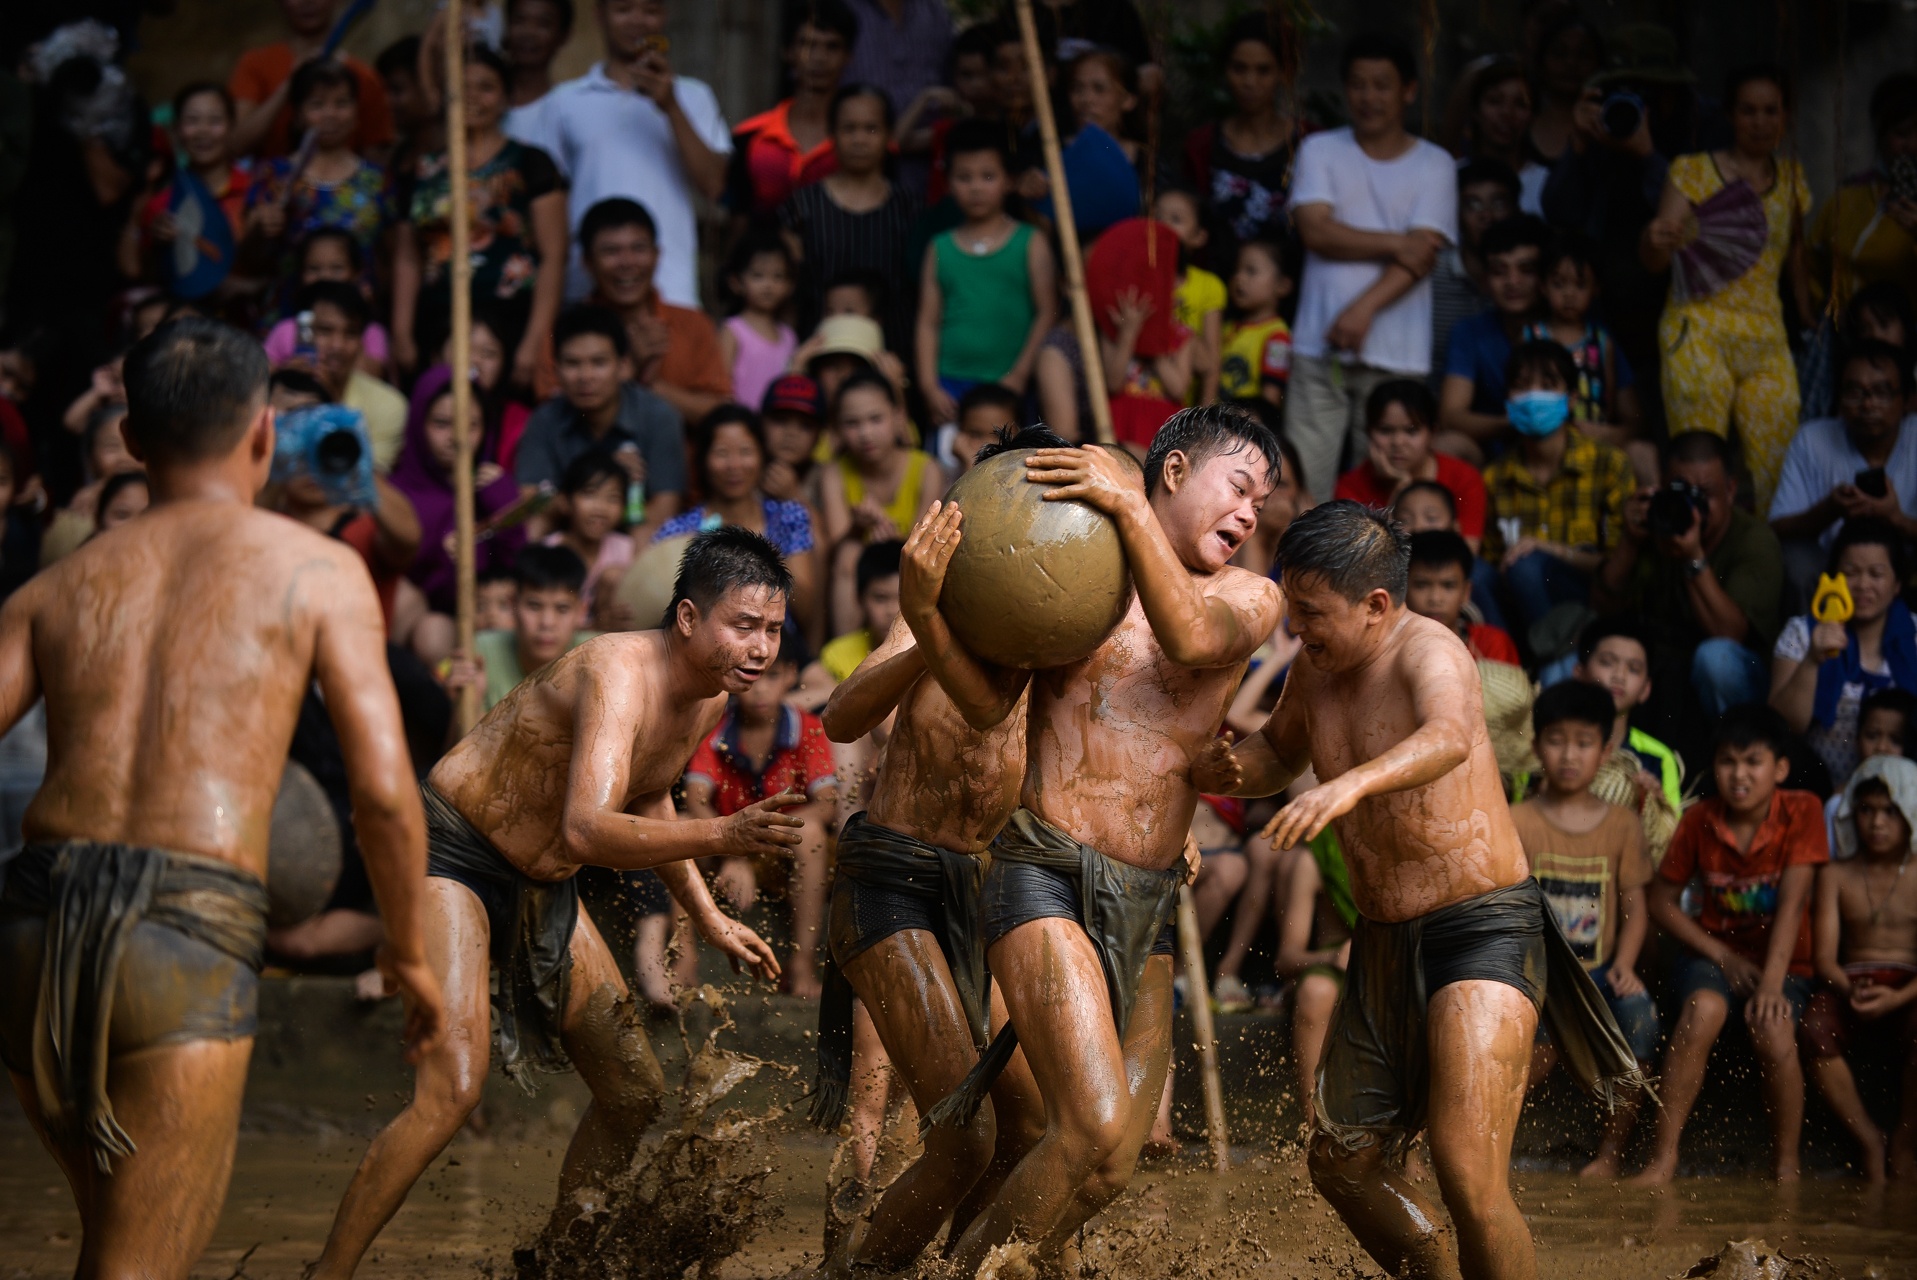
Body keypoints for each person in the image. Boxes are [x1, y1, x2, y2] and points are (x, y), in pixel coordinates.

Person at [0, 317, 443, 1280]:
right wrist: (408, 951)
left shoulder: (54, 586)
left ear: (130, 439)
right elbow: (382, 792)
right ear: (263, 434)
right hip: (183, 932)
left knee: (113, 1246)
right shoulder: (319, 570)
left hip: (31, 929)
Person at [305, 527, 790, 1280]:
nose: (760, 648)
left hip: (543, 883)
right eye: (745, 625)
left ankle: (555, 1264)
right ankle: (326, 1275)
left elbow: (649, 797)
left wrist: (706, 914)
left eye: (773, 630)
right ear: (690, 617)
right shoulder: (616, 671)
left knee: (634, 1092)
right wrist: (724, 832)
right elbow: (587, 827)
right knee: (452, 1092)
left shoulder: (710, 695)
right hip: (454, 853)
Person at [1202, 499, 1642, 1280]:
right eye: (1292, 609)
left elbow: (1447, 737)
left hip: (1480, 925)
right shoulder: (1314, 665)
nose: (1296, 629)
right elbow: (1276, 752)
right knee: (1340, 1162)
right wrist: (1212, 771)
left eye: (1312, 613)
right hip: (1381, 939)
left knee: (1465, 1168)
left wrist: (1347, 786)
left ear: (1375, 605)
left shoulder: (1430, 651)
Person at [901, 406, 1286, 1275]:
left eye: (1261, 503)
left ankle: (966, 1261)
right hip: (1043, 871)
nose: (1249, 512)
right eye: (1239, 487)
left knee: (1110, 1164)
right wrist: (923, 612)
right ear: (1175, 471)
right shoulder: (1075, 570)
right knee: (1091, 1125)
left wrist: (1127, 505)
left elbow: (1189, 636)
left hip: (1148, 899)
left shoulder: (1249, 596)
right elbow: (986, 708)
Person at [1635, 703, 1827, 1186]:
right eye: (1727, 762)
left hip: (1787, 963)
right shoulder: (1699, 818)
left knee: (1774, 1028)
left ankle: (1786, 1166)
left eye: (1753, 762)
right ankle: (1662, 1159)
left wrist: (1772, 986)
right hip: (1714, 956)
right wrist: (1724, 956)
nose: (1739, 774)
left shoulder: (1803, 810)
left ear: (1779, 768)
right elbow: (1660, 902)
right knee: (1702, 1011)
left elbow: (1793, 904)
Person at [1284, 32, 1457, 500]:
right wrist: (1398, 243)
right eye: (1358, 84)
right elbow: (1315, 231)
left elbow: (1422, 257)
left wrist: (1361, 310)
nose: (1368, 96)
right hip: (1318, 348)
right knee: (1302, 489)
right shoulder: (1320, 149)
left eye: (1382, 84)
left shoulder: (1436, 164)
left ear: (1409, 91)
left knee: (1386, 497)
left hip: (1398, 354)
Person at [1642, 65, 1813, 511]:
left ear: (1786, 116)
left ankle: (1769, 550)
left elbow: (1794, 251)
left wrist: (1808, 315)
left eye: (1771, 111)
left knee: (1778, 457)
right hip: (1697, 326)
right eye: (1748, 111)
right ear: (1730, 115)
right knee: (1699, 456)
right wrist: (1653, 240)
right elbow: (1657, 260)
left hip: (1767, 336)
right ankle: (1692, 542)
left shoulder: (1792, 179)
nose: (1760, 122)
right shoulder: (1693, 171)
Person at [1513, 680, 1658, 1179]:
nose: (1569, 755)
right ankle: (1486, 1148)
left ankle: (1610, 1154)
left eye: (1583, 742)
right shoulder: (1517, 820)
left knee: (1640, 1018)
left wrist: (1625, 965)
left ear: (1606, 750)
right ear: (1537, 746)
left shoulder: (1622, 825)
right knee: (1534, 1044)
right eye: (1556, 741)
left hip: (1598, 975)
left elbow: (1636, 908)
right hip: (1535, 974)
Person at [515, 0, 731, 307]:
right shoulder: (564, 102)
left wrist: (671, 106)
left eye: (650, 10)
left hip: (670, 288)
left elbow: (716, 186)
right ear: (600, 15)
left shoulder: (694, 96)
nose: (637, 21)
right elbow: (543, 205)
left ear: (664, 16)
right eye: (624, 9)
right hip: (585, 287)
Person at [391, 45, 567, 388]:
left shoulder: (531, 163)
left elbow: (553, 257)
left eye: (486, 88)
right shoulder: (423, 170)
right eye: (462, 87)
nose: (473, 97)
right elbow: (407, 258)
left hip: (510, 320)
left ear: (505, 98)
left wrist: (535, 342)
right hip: (438, 318)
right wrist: (401, 333)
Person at [684, 627, 838, 998]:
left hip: (784, 849)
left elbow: (827, 803)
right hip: (726, 844)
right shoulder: (714, 726)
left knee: (812, 834)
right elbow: (695, 798)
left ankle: (801, 966)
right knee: (678, 825)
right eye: (751, 677)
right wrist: (733, 851)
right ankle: (683, 958)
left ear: (790, 675)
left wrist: (759, 844)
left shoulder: (807, 727)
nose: (761, 689)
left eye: (772, 676)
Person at [1597, 431, 1783, 719]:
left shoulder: (1754, 541)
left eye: (1704, 495)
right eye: (1680, 492)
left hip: (1737, 678)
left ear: (1731, 490)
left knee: (1714, 659)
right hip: (1665, 667)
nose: (1692, 508)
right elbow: (1602, 608)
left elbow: (1729, 635)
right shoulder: (1657, 519)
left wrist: (1693, 556)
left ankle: (1731, 744)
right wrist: (1630, 541)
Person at [1804, 755, 1917, 1181]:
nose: (1877, 822)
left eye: (1890, 811)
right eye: (1867, 810)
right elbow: (1824, 960)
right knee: (1812, 1029)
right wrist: (1851, 990)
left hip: (1909, 988)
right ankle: (1869, 1140)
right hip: (1852, 984)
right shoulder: (1836, 875)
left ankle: (1904, 1141)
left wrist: (1897, 998)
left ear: (1911, 812)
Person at [1481, 340, 1635, 633]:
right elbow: (1490, 563)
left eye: (1548, 385)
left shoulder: (1609, 465)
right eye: (1521, 386)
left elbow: (1619, 564)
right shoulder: (1494, 477)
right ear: (1507, 401)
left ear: (1572, 399)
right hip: (1518, 609)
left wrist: (1550, 550)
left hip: (1588, 606)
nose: (1533, 396)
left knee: (1527, 566)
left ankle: (1560, 656)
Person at [536, 198, 732, 424]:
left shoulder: (694, 325)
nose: (627, 262)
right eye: (611, 251)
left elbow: (722, 416)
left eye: (638, 248)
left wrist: (652, 386)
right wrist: (629, 369)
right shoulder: (564, 330)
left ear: (657, 255)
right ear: (587, 262)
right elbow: (553, 417)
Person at [915, 119, 1057, 427]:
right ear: (948, 183)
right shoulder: (940, 247)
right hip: (950, 388)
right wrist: (929, 386)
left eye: (988, 176)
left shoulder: (1030, 241)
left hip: (1010, 385)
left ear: (1009, 181)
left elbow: (1047, 312)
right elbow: (928, 321)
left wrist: (1018, 375)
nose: (976, 187)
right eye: (964, 177)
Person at [514, 305, 685, 540]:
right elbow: (530, 499)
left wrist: (585, 502)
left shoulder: (658, 416)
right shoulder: (545, 419)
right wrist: (606, 474)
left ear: (623, 366)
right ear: (556, 370)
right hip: (567, 543)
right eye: (572, 363)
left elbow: (663, 511)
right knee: (534, 526)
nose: (585, 377)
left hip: (632, 542)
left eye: (598, 363)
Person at [1769, 341, 1917, 608]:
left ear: (1907, 400)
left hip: (1906, 567)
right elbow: (1777, 528)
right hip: (1834, 573)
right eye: (1855, 392)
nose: (1868, 404)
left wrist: (1897, 519)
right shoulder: (1812, 439)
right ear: (1838, 397)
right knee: (1798, 562)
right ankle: (1814, 635)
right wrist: (1829, 509)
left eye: (1882, 392)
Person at [779, 84, 924, 354]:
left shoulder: (911, 208)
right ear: (831, 133)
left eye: (871, 129)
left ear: (889, 134)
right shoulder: (802, 207)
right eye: (849, 129)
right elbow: (787, 292)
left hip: (893, 354)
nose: (860, 139)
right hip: (819, 351)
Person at [1771, 518, 1917, 783]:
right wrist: (1812, 661)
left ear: (1897, 583)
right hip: (1817, 784)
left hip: (1902, 789)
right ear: (1831, 578)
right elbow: (1782, 727)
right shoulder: (1800, 633)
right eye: (1850, 573)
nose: (1862, 585)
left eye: (1876, 574)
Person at [653, 405, 819, 638]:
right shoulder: (678, 532)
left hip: (779, 648)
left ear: (762, 455)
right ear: (703, 460)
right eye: (722, 453)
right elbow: (661, 613)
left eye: (745, 451)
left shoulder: (788, 518)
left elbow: (808, 611)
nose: (734, 465)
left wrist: (763, 556)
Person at [242, 61, 395, 304]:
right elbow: (249, 259)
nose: (330, 114)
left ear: (356, 112)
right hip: (287, 315)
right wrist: (261, 229)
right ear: (298, 115)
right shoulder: (273, 175)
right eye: (317, 105)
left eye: (341, 103)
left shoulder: (377, 181)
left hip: (358, 318)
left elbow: (391, 259)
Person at [388, 366, 524, 633]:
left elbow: (515, 567)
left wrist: (506, 507)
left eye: (471, 426)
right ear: (418, 423)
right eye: (442, 424)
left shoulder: (495, 487)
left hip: (490, 625)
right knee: (433, 632)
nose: (457, 438)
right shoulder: (397, 493)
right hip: (427, 628)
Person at [820, 373, 940, 634]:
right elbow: (837, 546)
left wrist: (892, 538)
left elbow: (925, 545)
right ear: (838, 428)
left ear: (898, 418)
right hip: (861, 581)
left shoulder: (926, 469)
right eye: (852, 423)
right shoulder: (834, 473)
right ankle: (846, 647)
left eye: (875, 419)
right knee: (848, 552)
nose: (865, 434)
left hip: (908, 572)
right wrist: (858, 527)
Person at [1183, 14, 1300, 277]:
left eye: (1263, 70)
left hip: (1291, 293)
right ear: (1225, 70)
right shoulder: (1201, 145)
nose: (1250, 82)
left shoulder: (1310, 143)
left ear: (1284, 73)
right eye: (1239, 69)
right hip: (1214, 293)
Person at [1521, 233, 1646, 476]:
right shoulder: (1530, 337)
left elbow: (1621, 411)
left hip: (1594, 443)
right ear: (1543, 287)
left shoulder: (1602, 343)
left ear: (1596, 289)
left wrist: (1605, 433)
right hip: (1542, 446)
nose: (1569, 294)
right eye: (1559, 284)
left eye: (1580, 285)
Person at [726, 1, 855, 221]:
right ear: (787, 52)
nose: (819, 57)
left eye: (832, 46)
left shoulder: (865, 135)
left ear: (848, 56)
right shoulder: (749, 136)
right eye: (808, 45)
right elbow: (739, 223)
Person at [1437, 214, 1550, 459]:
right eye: (1500, 271)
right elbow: (1451, 416)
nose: (1513, 281)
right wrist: (1512, 423)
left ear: (1545, 277)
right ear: (1484, 280)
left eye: (1526, 270)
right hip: (1493, 457)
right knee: (1446, 445)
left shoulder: (1571, 329)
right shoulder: (1469, 332)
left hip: (1560, 451)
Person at [1808, 71, 1917, 320]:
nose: (1913, 146)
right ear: (1880, 135)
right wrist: (1815, 314)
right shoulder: (1849, 197)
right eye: (1902, 133)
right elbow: (1810, 261)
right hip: (1845, 335)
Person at [121, 83, 253, 288]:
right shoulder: (162, 205)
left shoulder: (254, 189)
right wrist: (159, 246)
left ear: (232, 126)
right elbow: (146, 276)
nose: (203, 131)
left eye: (215, 121)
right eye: (192, 121)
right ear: (176, 130)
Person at [228, 0, 395, 159]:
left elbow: (376, 164)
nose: (307, 2)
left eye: (341, 103)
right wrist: (290, 83)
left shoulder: (365, 78)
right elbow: (235, 145)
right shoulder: (256, 64)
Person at [1336, 378, 1488, 551]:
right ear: (1368, 433)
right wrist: (1400, 488)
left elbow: (1468, 554)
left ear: (1433, 433)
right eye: (1385, 430)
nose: (1398, 442)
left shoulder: (1464, 477)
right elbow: (1362, 560)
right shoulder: (1350, 486)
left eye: (1411, 431)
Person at [1273, 829, 1354, 1107]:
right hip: (1334, 971)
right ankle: (1314, 1124)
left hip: (1392, 964)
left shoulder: (1400, 850)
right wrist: (1334, 957)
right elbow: (1287, 958)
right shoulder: (1315, 858)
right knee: (1315, 991)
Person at [1571, 615, 1684, 811]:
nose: (1619, 676)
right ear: (1580, 672)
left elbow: (1671, 828)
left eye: (1633, 669)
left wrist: (1654, 809)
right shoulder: (1551, 741)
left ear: (1646, 689)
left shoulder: (1659, 757)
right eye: (1607, 662)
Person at [293, 281, 409, 469]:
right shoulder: (271, 397)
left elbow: (368, 480)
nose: (338, 346)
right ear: (301, 332)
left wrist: (331, 404)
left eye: (351, 333)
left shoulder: (389, 405)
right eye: (325, 331)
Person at [473, 543, 594, 712]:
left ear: (582, 611)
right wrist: (471, 700)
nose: (547, 622)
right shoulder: (481, 652)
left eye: (562, 609)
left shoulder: (598, 655)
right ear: (513, 605)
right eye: (534, 606)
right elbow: (466, 729)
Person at [1428, 161, 1519, 388]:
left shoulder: (1530, 278)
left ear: (1517, 210)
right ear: (1455, 214)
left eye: (1498, 203)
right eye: (1473, 205)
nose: (1486, 215)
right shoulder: (1430, 272)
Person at [261, 231, 394, 371]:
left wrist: (358, 314)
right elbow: (262, 376)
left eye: (337, 269)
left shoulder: (370, 332)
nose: (325, 277)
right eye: (314, 269)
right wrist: (287, 373)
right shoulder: (286, 330)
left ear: (357, 274)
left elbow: (369, 375)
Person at [1151, 188, 1227, 405]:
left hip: (1180, 404)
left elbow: (1210, 363)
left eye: (1176, 219)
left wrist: (1205, 417)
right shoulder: (1137, 277)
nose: (1162, 225)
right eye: (1157, 216)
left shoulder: (1209, 286)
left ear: (1199, 237)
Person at [1406, 530, 1520, 666]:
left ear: (1466, 592)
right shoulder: (1388, 648)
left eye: (1448, 586)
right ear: (1402, 589)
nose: (1435, 599)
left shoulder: (1491, 644)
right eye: (1421, 585)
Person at [1826, 689, 1917, 856]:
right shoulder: (1837, 804)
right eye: (1872, 736)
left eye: (1895, 740)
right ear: (1857, 740)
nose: (1881, 747)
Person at [1450, 58, 1545, 213]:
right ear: (1475, 110)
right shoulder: (1449, 177)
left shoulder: (1547, 184)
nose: (1507, 113)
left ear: (1533, 116)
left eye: (1520, 104)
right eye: (1495, 101)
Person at [544, 450, 632, 618]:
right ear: (565, 501)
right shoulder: (548, 551)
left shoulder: (626, 549)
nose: (600, 509)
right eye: (590, 494)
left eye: (613, 498)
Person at [718, 234, 798, 414]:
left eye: (778, 277)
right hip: (741, 424)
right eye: (758, 276)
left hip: (777, 427)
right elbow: (720, 385)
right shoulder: (732, 330)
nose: (768, 285)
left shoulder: (789, 336)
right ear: (736, 282)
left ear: (789, 285)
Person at [816, 539, 902, 687]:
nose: (892, 610)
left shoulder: (932, 654)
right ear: (859, 599)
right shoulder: (838, 654)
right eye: (880, 598)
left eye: (903, 598)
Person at [1218, 237, 1293, 406]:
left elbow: (1271, 397)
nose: (1239, 278)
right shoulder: (1227, 327)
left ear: (1282, 286)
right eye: (1236, 270)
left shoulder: (1277, 336)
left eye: (1251, 271)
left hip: (1246, 420)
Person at [502, 0, 573, 120]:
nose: (529, 32)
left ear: (563, 36)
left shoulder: (568, 109)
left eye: (543, 24)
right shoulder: (481, 103)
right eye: (519, 21)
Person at [933, 381, 1018, 481]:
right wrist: (969, 463)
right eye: (976, 435)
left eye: (999, 435)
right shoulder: (942, 475)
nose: (987, 445)